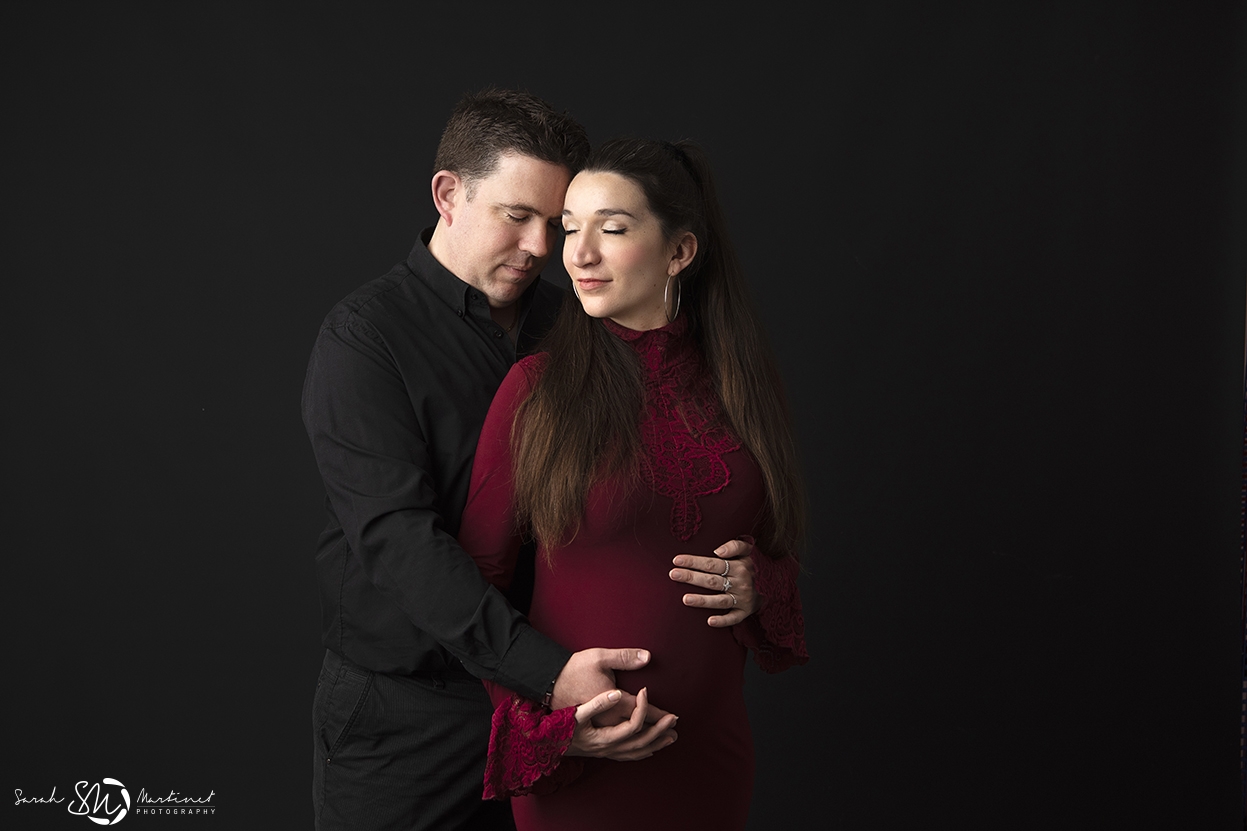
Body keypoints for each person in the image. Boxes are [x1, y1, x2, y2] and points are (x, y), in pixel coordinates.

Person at [301, 89, 762, 831]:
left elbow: (650, 490)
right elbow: (397, 537)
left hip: (562, 711)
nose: (544, 248)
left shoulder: (576, 321)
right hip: (411, 709)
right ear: (449, 195)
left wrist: (751, 575)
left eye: (556, 223)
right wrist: (546, 676)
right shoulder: (366, 338)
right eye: (518, 216)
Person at [457, 136, 809, 831]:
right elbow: (475, 578)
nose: (577, 254)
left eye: (610, 229)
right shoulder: (536, 390)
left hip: (706, 757)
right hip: (582, 758)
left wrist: (759, 583)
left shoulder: (741, 385)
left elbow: (772, 548)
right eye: (570, 229)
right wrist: (550, 714)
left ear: (679, 251)